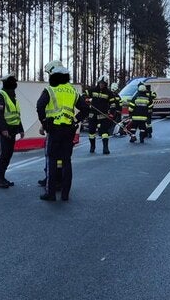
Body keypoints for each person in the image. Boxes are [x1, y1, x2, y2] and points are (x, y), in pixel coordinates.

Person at [37, 60, 88, 201]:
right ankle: (65, 194)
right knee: (67, 161)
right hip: (69, 130)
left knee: (52, 161)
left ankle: (51, 193)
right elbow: (85, 109)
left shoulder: (50, 89)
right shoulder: (72, 90)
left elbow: (40, 106)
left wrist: (44, 123)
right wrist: (75, 120)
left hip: (54, 130)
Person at [0, 73, 24, 188]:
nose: (16, 83)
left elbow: (16, 115)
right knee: (3, 154)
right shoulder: (0, 95)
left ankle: (3, 177)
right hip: (4, 131)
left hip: (13, 131)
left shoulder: (13, 97)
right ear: (8, 83)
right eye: (13, 81)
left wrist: (21, 129)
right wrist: (3, 129)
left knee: (8, 154)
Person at [85, 78, 115, 154]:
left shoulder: (109, 93)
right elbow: (84, 94)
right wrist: (86, 98)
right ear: (98, 83)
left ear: (106, 84)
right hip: (93, 114)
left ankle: (105, 148)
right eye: (100, 83)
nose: (101, 84)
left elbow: (113, 104)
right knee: (91, 131)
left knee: (104, 132)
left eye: (103, 83)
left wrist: (111, 113)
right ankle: (92, 146)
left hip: (103, 115)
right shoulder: (93, 90)